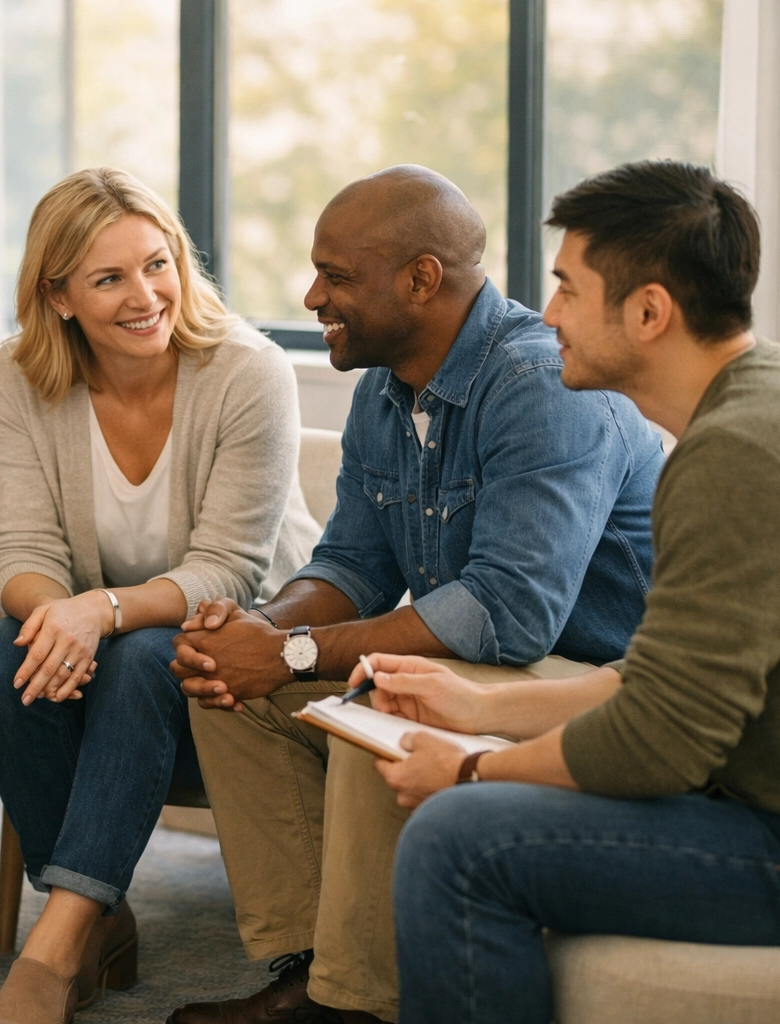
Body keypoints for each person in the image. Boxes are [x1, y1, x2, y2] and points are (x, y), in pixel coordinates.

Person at [166, 166, 661, 1024]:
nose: (313, 294)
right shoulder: (383, 394)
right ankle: (310, 967)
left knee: (384, 699)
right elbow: (351, 563)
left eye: (338, 275)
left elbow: (509, 612)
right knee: (231, 694)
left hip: (587, 679)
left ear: (422, 279)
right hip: (488, 664)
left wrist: (294, 654)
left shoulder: (541, 386)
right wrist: (259, 631)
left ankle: (361, 1004)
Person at [373, 160, 780, 1023]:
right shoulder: (763, 400)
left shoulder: (740, 456)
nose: (547, 317)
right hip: (778, 807)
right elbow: (663, 681)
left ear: (649, 311)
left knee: (456, 841)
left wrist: (471, 771)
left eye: (567, 290)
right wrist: (477, 708)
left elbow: (658, 744)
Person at [0, 167, 321, 1024]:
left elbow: (232, 568)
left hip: (243, 663)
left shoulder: (248, 372)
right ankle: (97, 916)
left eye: (158, 264)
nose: (146, 295)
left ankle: (55, 952)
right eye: (110, 278)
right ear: (57, 296)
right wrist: (61, 615)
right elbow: (16, 549)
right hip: (110, 664)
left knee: (139, 656)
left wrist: (102, 611)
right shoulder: (21, 377)